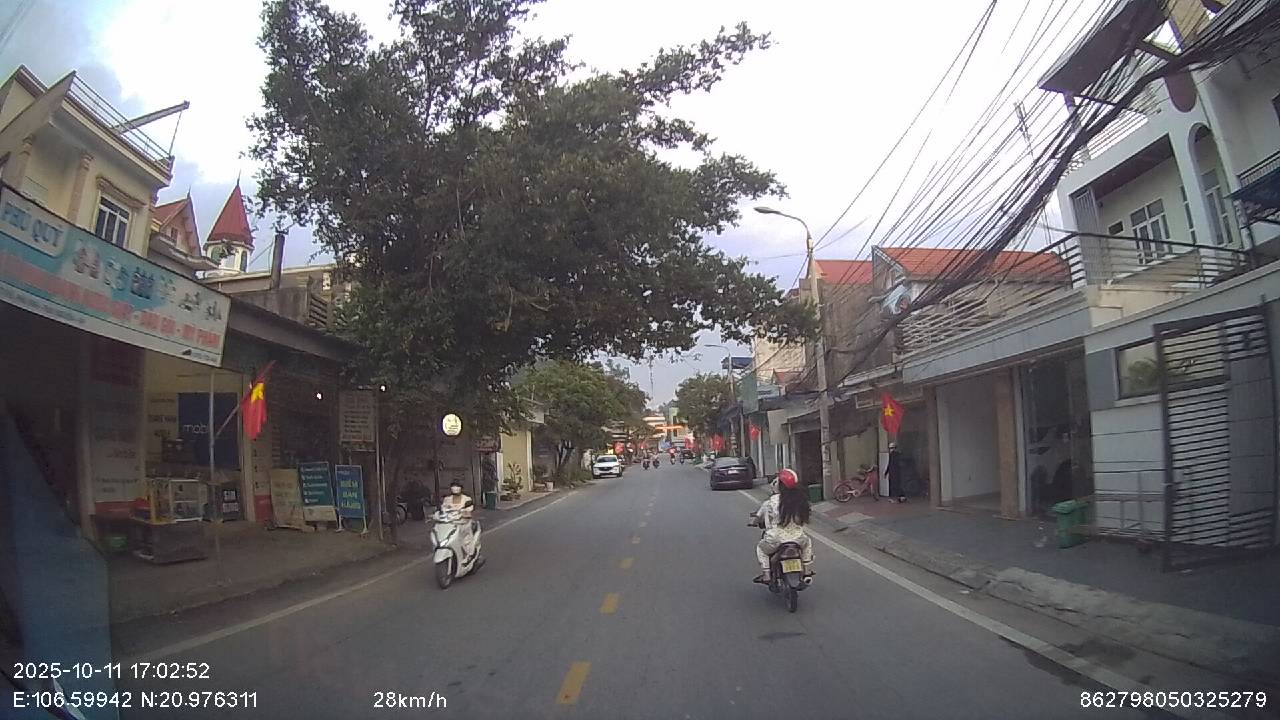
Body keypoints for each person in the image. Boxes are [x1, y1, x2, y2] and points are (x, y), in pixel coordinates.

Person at [750, 468, 814, 583]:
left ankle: (766, 575)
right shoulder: (801, 500)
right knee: (807, 543)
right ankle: (807, 571)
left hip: (775, 539)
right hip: (798, 538)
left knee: (761, 549)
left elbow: (758, 518)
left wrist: (753, 522)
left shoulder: (771, 501)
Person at [440, 479, 478, 556]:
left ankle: (470, 554)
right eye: (453, 486)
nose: (455, 488)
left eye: (457, 486)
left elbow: (470, 508)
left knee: (466, 539)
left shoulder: (466, 499)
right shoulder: (447, 499)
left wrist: (464, 512)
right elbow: (443, 508)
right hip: (451, 523)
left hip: (464, 522)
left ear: (461, 488)